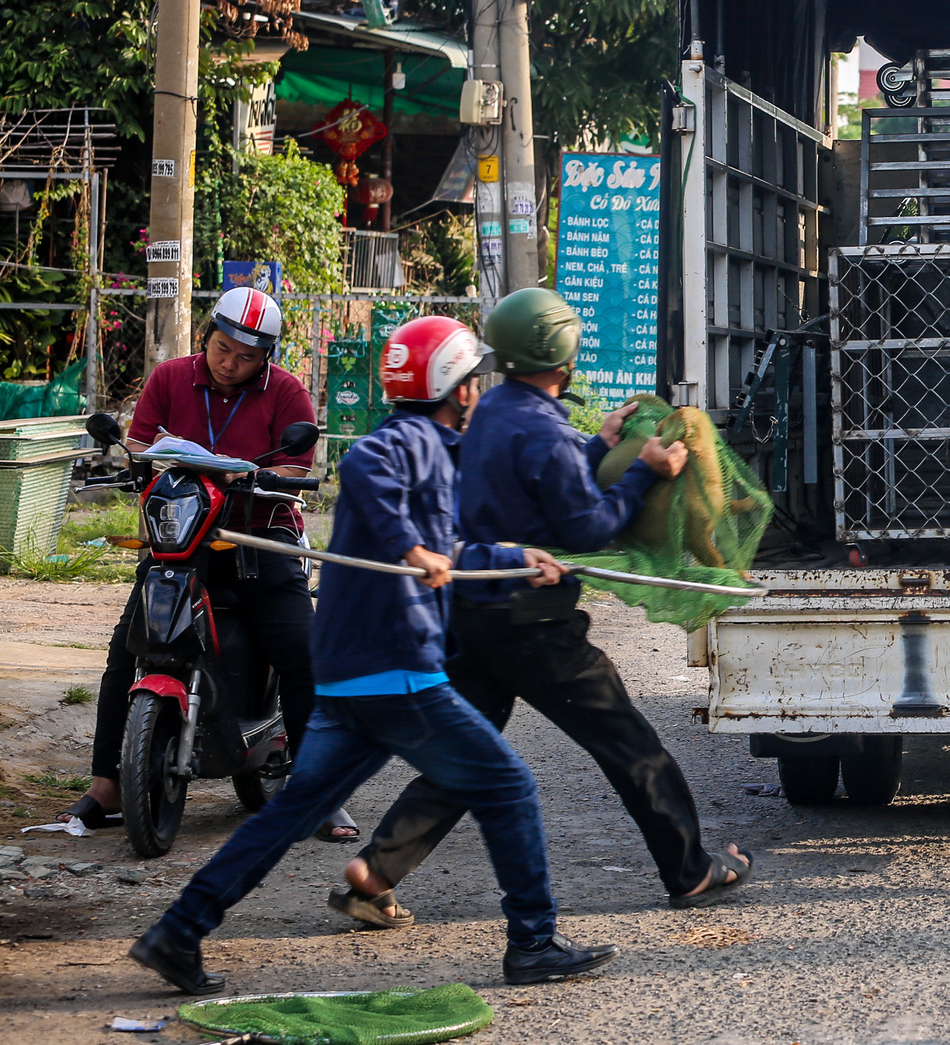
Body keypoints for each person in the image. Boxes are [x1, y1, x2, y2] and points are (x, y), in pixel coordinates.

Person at [128, 317, 610, 993]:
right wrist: (411, 549)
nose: (478, 391)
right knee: (508, 786)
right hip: (396, 673)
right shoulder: (400, 443)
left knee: (290, 813)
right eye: (474, 380)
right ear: (459, 389)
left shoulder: (433, 446)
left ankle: (178, 932)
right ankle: (532, 943)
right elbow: (370, 480)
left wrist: (513, 559)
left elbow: (445, 547)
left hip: (355, 678)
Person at [338, 288, 753, 921]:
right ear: (564, 360)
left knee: (467, 749)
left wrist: (598, 444)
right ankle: (690, 869)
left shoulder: (492, 411)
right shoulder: (549, 432)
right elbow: (584, 527)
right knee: (628, 742)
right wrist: (645, 470)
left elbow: (532, 487)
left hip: (473, 610)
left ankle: (377, 869)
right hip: (535, 623)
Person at [65, 287, 356, 843]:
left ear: (266, 356)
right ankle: (106, 783)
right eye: (223, 348)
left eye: (246, 357)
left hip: (259, 540)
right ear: (208, 337)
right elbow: (139, 445)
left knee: (301, 654)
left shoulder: (288, 393)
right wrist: (141, 465)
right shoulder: (170, 378)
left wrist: (252, 477)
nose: (231, 363)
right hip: (181, 542)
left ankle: (318, 790)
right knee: (125, 650)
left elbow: (296, 471)